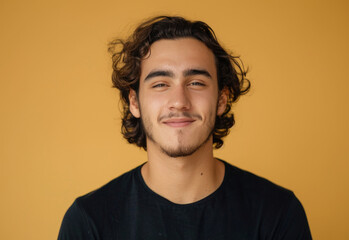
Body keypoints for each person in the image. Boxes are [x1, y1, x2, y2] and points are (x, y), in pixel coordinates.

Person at [58, 16, 312, 239]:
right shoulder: (88, 222)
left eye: (196, 83)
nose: (179, 101)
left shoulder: (278, 213)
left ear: (222, 100)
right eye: (160, 84)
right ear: (134, 102)